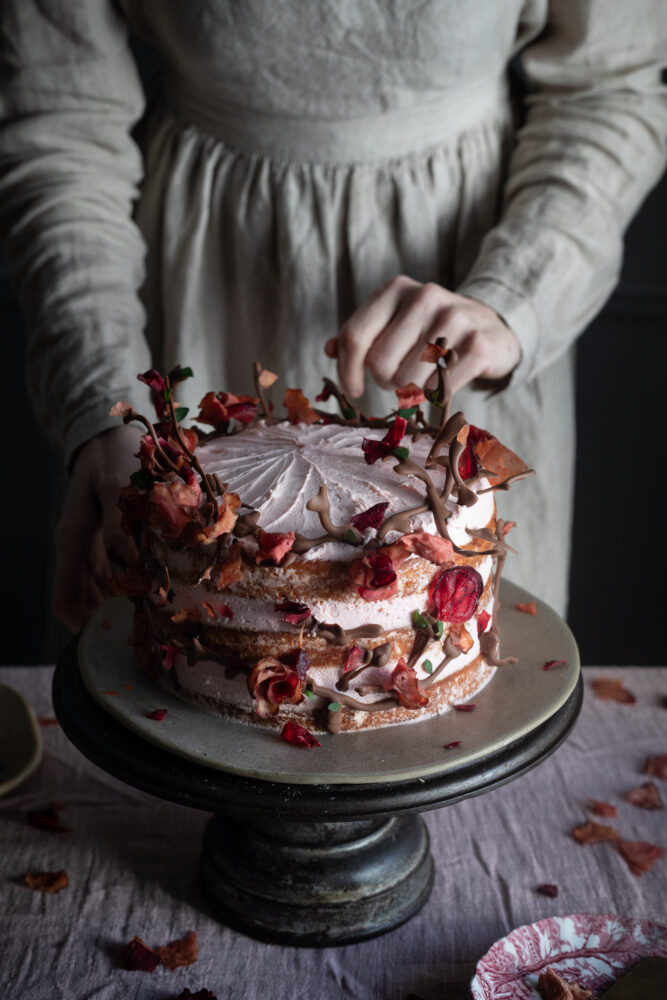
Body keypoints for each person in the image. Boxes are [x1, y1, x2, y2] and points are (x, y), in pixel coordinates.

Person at [1, 1, 665, 632]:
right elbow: (60, 123)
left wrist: (518, 294)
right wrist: (100, 390)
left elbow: (610, 86)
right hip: (193, 293)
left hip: (470, 295)